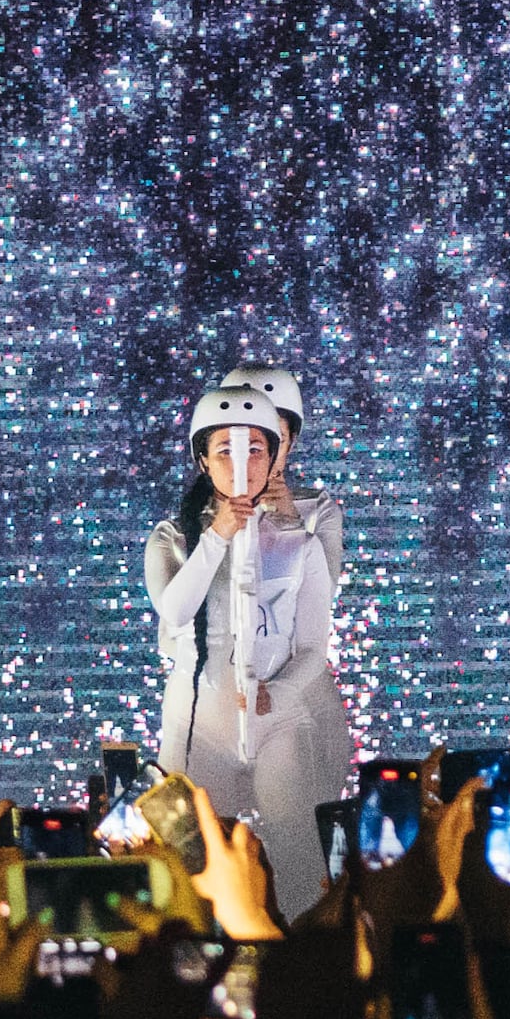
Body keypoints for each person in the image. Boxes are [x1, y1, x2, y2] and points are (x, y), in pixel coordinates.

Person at [145, 377, 354, 915]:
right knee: (182, 855)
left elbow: (313, 643)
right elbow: (173, 611)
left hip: (277, 720)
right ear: (203, 461)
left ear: (276, 454)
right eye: (226, 449)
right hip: (199, 720)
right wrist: (215, 537)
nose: (242, 461)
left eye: (256, 447)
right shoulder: (173, 535)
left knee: (297, 847)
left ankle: (298, 958)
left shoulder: (300, 539)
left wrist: (277, 696)